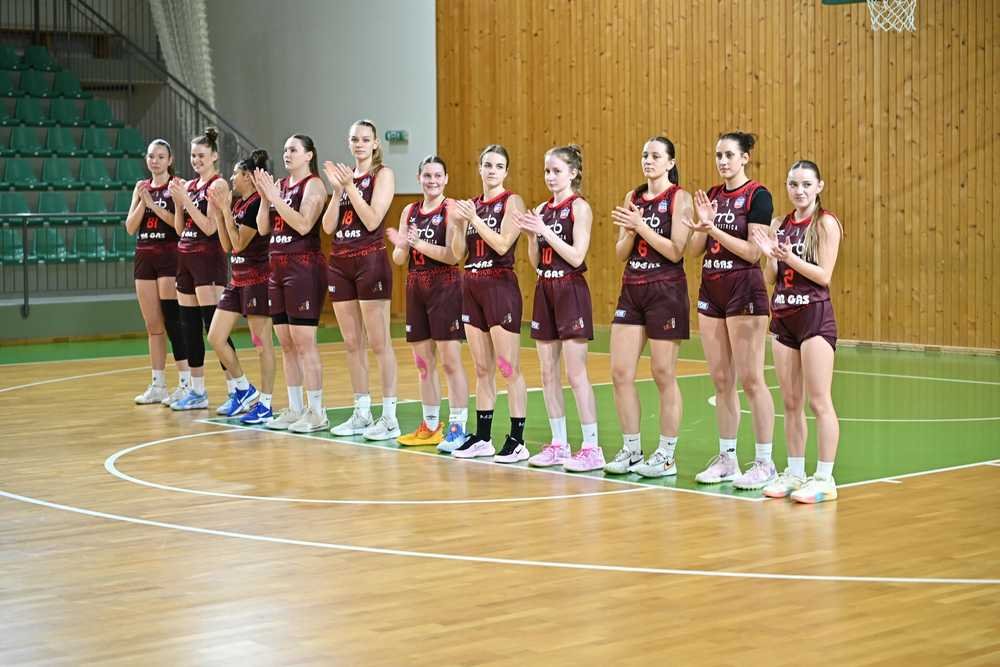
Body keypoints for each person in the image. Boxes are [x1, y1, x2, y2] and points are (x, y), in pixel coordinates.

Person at [685, 131, 776, 490]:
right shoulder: (712, 195)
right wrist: (701, 227)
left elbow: (754, 253)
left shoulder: (758, 195)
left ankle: (765, 463)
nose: (722, 161)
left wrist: (714, 230)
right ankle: (727, 459)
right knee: (722, 380)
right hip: (712, 288)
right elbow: (695, 250)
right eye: (718, 155)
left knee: (752, 379)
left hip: (745, 290)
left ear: (744, 158)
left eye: (729, 155)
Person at [752, 160, 843, 503]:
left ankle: (824, 478)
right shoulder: (780, 224)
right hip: (784, 316)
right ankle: (794, 472)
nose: (799, 191)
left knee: (819, 401)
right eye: (793, 184)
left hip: (814, 316)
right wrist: (770, 257)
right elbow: (771, 278)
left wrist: (789, 258)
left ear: (819, 186)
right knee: (791, 402)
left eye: (806, 184)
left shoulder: (825, 223)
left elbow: (823, 276)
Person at [606, 136, 694, 477]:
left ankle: (667, 455)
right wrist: (630, 233)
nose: (648, 160)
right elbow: (619, 253)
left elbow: (675, 250)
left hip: (666, 290)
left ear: (670, 162)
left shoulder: (679, 198)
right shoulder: (633, 197)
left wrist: (641, 226)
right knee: (620, 373)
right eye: (645, 155)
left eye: (656, 156)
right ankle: (631, 449)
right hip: (632, 288)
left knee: (662, 373)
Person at [514, 145, 604, 473]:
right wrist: (530, 237)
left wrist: (544, 232)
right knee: (547, 372)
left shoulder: (579, 207)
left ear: (573, 173)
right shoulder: (542, 209)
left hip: (570, 289)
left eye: (557, 171)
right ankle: (559, 443)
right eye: (547, 171)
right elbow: (538, 263)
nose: (550, 177)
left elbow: (577, 256)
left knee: (575, 373)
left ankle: (592, 448)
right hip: (546, 287)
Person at [445, 144, 530, 462]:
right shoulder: (472, 205)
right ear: (479, 168)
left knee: (508, 367)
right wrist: (457, 224)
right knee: (482, 368)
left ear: (506, 172)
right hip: (472, 285)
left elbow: (503, 243)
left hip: (499, 286)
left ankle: (517, 440)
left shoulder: (512, 201)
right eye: (488, 165)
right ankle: (483, 438)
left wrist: (474, 219)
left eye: (498, 166)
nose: (492, 170)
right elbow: (457, 254)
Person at [322, 120, 399, 440]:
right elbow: (328, 227)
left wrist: (350, 187)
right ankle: (361, 412)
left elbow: (372, 220)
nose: (359, 144)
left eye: (365, 139)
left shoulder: (383, 175)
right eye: (354, 139)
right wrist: (338, 191)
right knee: (352, 343)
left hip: (370, 260)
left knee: (379, 342)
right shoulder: (344, 180)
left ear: (376, 143)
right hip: (340, 262)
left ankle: (390, 417)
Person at [385, 156, 469, 448]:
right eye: (427, 175)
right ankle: (431, 424)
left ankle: (458, 426)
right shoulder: (409, 211)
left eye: (437, 176)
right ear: (419, 178)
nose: (432, 181)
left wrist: (418, 243)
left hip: (445, 285)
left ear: (446, 179)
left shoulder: (452, 209)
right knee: (423, 363)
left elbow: (453, 256)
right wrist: (402, 245)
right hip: (415, 285)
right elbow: (399, 259)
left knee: (450, 362)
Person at [254, 135, 328, 433]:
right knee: (285, 343)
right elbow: (263, 228)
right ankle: (295, 408)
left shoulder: (314, 185)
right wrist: (264, 197)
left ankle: (317, 411)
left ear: (308, 155)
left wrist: (275, 198)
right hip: (277, 267)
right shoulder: (280, 186)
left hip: (303, 266)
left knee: (304, 343)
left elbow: (303, 224)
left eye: (293, 150)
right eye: (285, 149)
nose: (287, 154)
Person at [168, 127, 238, 411]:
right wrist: (178, 204)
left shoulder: (218, 185)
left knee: (215, 327)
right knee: (189, 327)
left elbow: (209, 227)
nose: (196, 160)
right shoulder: (190, 185)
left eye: (201, 155)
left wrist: (186, 201)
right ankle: (197, 391)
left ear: (214, 156)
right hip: (185, 256)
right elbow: (179, 228)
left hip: (207, 258)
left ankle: (236, 390)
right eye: (193, 155)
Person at [206, 149, 275, 424]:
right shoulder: (237, 205)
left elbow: (239, 244)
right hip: (237, 281)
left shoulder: (257, 204)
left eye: (236, 173)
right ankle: (245, 389)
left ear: (248, 176)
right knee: (215, 337)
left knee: (262, 345)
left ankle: (266, 404)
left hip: (257, 281)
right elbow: (226, 246)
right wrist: (220, 213)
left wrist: (224, 210)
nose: (232, 178)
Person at [125, 139, 190, 406]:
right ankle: (158, 385)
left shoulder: (178, 185)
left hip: (168, 256)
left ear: (170, 160)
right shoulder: (141, 187)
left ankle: (186, 383)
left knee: (173, 321)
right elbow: (130, 227)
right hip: (144, 256)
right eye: (152, 156)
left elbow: (178, 226)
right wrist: (143, 202)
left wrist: (152, 205)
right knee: (153, 325)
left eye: (161, 156)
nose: (155, 161)